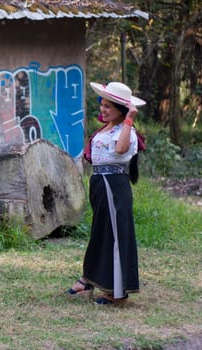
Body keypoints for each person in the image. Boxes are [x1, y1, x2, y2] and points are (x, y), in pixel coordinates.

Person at [66, 82, 146, 305]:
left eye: (109, 106)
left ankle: (118, 293)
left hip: (114, 185)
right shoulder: (107, 128)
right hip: (100, 183)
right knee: (100, 232)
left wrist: (130, 119)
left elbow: (120, 150)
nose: (103, 109)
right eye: (102, 104)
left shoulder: (126, 132)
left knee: (115, 234)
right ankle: (88, 280)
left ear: (121, 110)